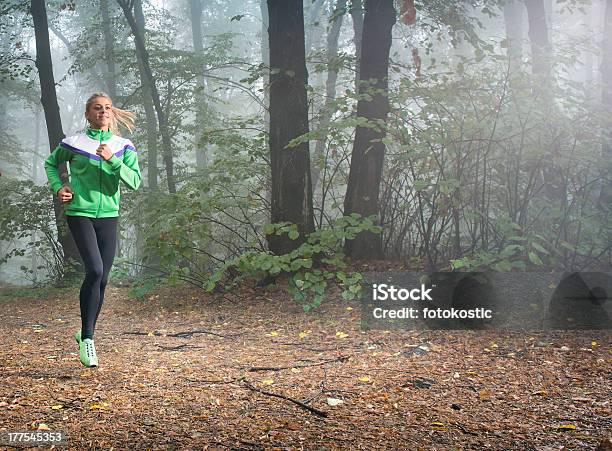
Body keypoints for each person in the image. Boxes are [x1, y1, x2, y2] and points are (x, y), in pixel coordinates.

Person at [44, 92, 142, 367]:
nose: (103, 112)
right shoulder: (73, 143)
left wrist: (113, 160)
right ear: (88, 114)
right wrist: (59, 187)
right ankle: (88, 339)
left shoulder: (123, 145)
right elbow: (51, 163)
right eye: (97, 108)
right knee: (95, 270)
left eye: (107, 108)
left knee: (104, 280)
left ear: (112, 113)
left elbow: (135, 181)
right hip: (80, 212)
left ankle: (84, 331)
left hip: (109, 215)